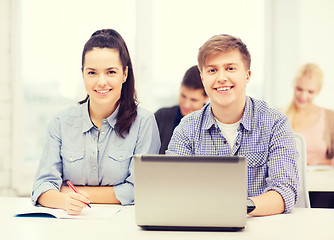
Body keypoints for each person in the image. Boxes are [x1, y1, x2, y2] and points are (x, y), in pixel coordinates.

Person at [166, 34, 299, 216]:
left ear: (247, 75)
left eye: (230, 68)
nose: (221, 77)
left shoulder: (275, 123)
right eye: (212, 70)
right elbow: (172, 188)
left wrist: (235, 208)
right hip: (202, 227)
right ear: (203, 78)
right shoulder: (186, 128)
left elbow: (284, 193)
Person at [31, 29, 160, 215]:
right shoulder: (60, 122)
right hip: (70, 224)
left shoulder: (144, 122)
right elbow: (42, 187)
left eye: (111, 72)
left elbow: (138, 190)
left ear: (124, 74)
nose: (101, 82)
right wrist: (64, 200)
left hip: (123, 226)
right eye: (92, 72)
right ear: (83, 74)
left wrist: (67, 191)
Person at [286, 63, 334, 166]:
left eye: (310, 92)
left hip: (322, 179)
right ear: (293, 85)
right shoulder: (281, 116)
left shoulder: (330, 117)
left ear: (318, 91)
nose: (303, 96)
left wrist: (319, 162)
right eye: (299, 89)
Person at [155, 65, 208, 154]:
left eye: (193, 100)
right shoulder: (161, 117)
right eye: (183, 96)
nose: (186, 105)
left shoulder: (213, 124)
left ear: (206, 97)